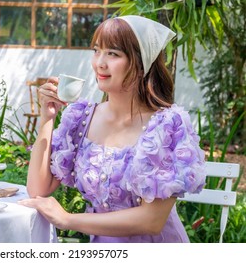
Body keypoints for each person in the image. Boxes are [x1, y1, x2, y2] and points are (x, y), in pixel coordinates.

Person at [18, 15, 207, 243]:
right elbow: (38, 189)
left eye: (113, 54)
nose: (100, 63)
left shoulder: (167, 126)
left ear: (141, 63)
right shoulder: (82, 119)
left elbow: (152, 220)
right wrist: (46, 118)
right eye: (97, 51)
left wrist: (67, 219)